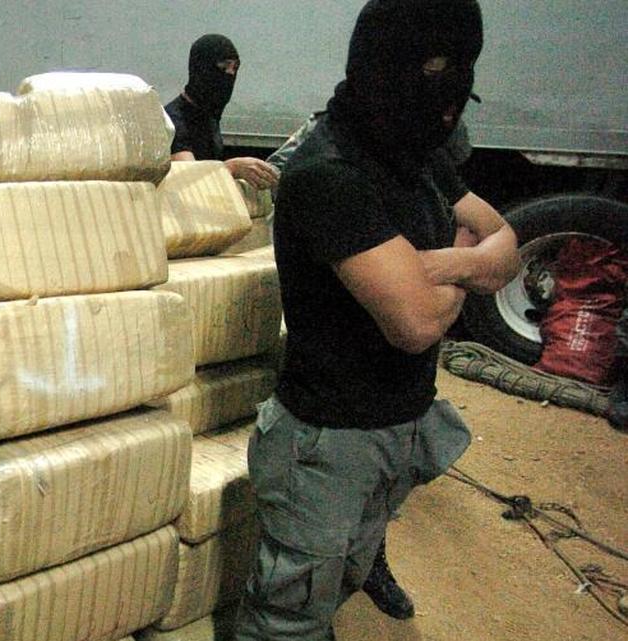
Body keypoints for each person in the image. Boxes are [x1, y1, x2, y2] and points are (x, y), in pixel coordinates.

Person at [236, 1, 519, 639]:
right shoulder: (330, 173)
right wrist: (465, 265)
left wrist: (436, 265)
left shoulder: (414, 152)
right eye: (434, 70)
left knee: (343, 578)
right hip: (329, 443)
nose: (449, 99)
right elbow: (416, 325)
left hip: (400, 421)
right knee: (288, 617)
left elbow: (504, 244)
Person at [164, 34, 279, 191]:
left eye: (234, 68)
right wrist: (231, 168)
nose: (230, 75)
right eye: (223, 67)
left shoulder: (208, 117)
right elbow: (187, 177)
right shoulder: (173, 121)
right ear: (201, 68)